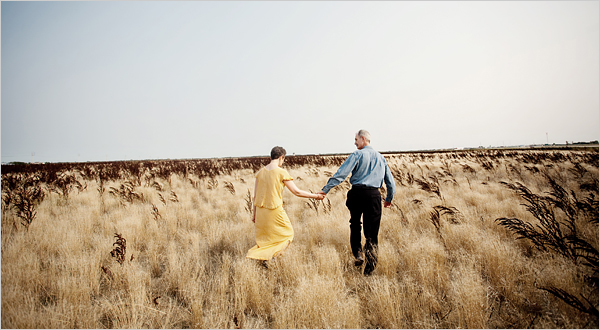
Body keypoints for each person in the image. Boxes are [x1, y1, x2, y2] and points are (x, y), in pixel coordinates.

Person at [318, 130, 395, 276]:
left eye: (356, 139)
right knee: (372, 233)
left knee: (354, 223)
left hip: (357, 193)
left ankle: (358, 253)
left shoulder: (357, 155)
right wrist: (389, 198)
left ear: (363, 139)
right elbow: (390, 182)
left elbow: (341, 174)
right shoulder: (381, 158)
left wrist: (325, 190)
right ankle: (369, 269)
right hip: (374, 196)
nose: (354, 142)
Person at [247, 146, 324, 266]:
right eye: (283, 159)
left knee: (267, 238)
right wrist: (316, 196)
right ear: (281, 158)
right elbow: (296, 192)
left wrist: (254, 214)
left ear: (271, 157)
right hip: (274, 210)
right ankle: (273, 258)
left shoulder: (260, 173)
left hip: (261, 211)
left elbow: (255, 196)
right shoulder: (281, 172)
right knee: (288, 234)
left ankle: (267, 259)